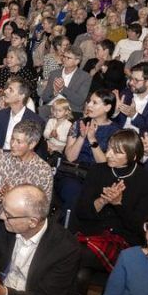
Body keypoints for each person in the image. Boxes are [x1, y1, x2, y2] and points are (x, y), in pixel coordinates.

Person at [71, 130, 148, 295]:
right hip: (92, 235)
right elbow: (81, 212)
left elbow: (139, 227)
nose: (108, 154)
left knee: (71, 255)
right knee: (78, 270)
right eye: (109, 148)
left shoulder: (147, 181)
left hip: (124, 241)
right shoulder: (97, 171)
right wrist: (102, 201)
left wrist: (118, 204)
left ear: (133, 156)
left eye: (117, 152)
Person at [58, 89, 120, 219]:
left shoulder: (115, 131)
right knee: (74, 191)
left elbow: (106, 164)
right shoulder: (78, 124)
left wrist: (92, 140)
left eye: (94, 103)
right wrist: (82, 137)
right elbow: (70, 157)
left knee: (91, 194)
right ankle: (66, 225)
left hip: (97, 176)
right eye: (89, 101)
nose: (89, 105)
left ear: (107, 107)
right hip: (73, 172)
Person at [0, 120, 53, 222]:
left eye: (19, 141)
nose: (12, 144)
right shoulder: (2, 159)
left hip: (24, 221)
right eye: (12, 139)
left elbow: (43, 209)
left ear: (32, 144)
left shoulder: (43, 170)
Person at [40, 46, 91, 118]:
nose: (64, 59)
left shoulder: (85, 77)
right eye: (64, 56)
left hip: (71, 110)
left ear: (77, 61)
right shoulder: (54, 74)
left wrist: (62, 89)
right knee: (40, 111)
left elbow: (80, 101)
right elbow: (45, 98)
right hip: (53, 107)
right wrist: (55, 92)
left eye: (68, 58)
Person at [113, 62, 148, 133]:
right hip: (118, 135)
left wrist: (134, 115)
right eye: (131, 78)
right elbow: (114, 122)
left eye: (136, 80)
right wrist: (115, 112)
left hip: (141, 138)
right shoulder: (126, 93)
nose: (131, 83)